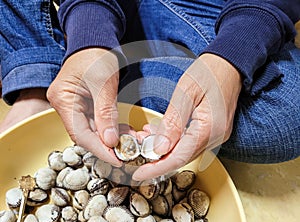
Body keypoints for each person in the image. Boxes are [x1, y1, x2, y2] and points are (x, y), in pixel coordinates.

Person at [1, 0, 299, 181]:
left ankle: (80, 81)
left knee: (289, 115)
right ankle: (39, 84)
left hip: (214, 7)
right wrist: (90, 30)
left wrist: (233, 55)